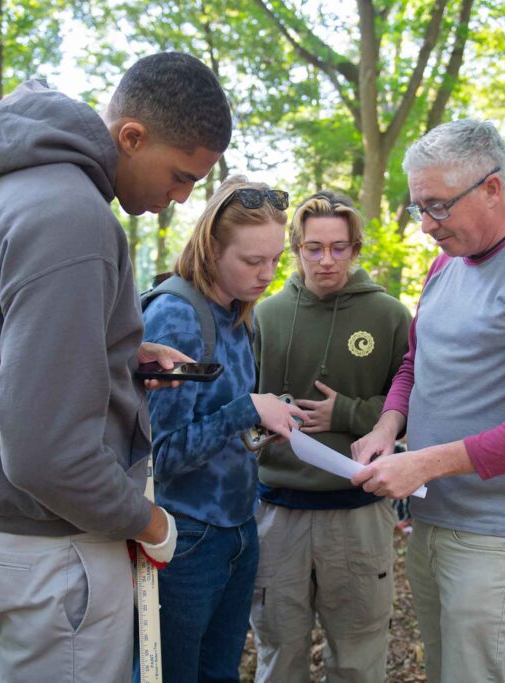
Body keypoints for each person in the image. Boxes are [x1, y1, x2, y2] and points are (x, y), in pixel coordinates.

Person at [0, 52, 232, 683]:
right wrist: (149, 521)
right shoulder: (75, 218)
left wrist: (118, 354)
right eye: (180, 177)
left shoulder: (4, 184)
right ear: (132, 136)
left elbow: (4, 353)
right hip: (52, 554)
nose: (179, 200)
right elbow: (48, 454)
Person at [351, 119, 505, 683]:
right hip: (435, 513)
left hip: (499, 530)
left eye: (438, 206)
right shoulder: (448, 262)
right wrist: (388, 427)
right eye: (418, 206)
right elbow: (419, 362)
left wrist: (426, 461)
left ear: (492, 188)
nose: (424, 226)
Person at [141, 176, 307, 682]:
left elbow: (221, 422)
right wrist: (245, 412)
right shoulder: (176, 316)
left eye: (276, 260)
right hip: (187, 536)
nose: (267, 274)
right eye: (252, 261)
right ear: (212, 248)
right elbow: (161, 457)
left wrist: (262, 424)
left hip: (238, 526)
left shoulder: (237, 314)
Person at [248, 191, 412, 682]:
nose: (326, 260)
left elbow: (413, 399)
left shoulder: (389, 316)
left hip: (358, 513)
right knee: (279, 655)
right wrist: (263, 428)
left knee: (359, 658)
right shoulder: (263, 316)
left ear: (356, 249)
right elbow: (238, 405)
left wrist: (349, 412)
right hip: (277, 513)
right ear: (296, 249)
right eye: (313, 248)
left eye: (339, 248)